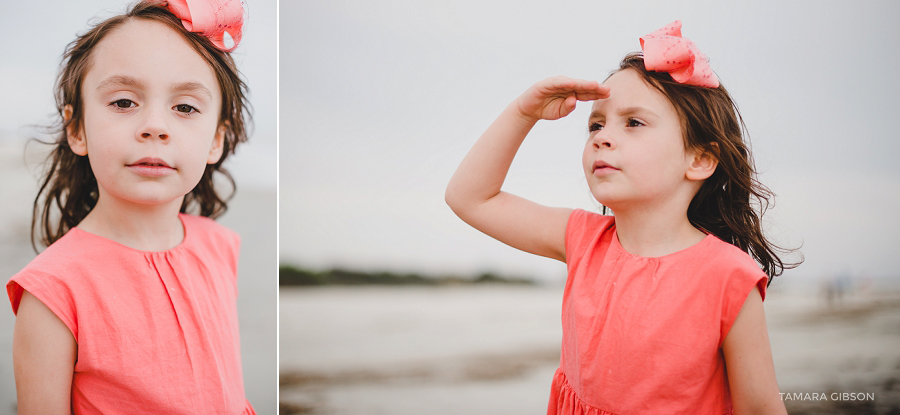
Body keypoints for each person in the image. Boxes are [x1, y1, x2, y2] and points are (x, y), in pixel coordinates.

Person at [446, 20, 798, 414]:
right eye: (596, 123)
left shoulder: (728, 277)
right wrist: (523, 111)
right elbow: (470, 198)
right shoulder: (583, 239)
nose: (601, 136)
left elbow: (760, 408)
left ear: (699, 159)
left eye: (633, 122)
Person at [7, 0, 254, 413]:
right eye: (124, 102)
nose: (154, 126)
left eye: (185, 107)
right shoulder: (53, 290)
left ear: (216, 140)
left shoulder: (222, 247)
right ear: (77, 128)